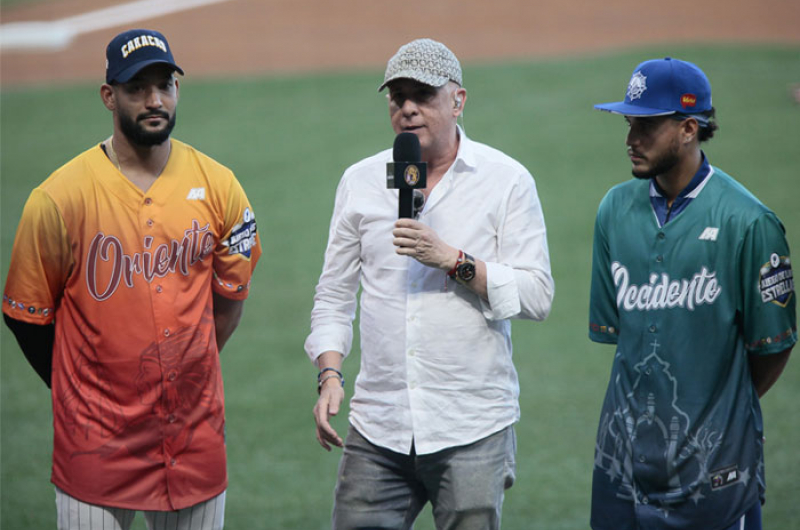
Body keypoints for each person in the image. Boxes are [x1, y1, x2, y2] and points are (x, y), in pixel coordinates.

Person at [2, 28, 261, 530]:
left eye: (164, 85)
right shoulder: (58, 199)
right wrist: (81, 395)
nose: (154, 100)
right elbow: (27, 318)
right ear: (109, 96)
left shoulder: (220, 186)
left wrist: (180, 377)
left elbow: (228, 301)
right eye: (137, 88)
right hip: (96, 448)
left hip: (194, 439)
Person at [305, 38, 554, 529]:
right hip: (378, 425)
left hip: (472, 426)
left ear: (458, 100)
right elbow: (334, 295)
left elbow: (537, 295)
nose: (408, 109)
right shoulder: (360, 182)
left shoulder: (506, 181)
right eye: (398, 97)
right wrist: (329, 376)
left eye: (423, 94)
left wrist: (454, 261)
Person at [589, 57, 795, 530]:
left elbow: (772, 347)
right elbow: (622, 336)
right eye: (628, 123)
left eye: (646, 126)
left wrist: (716, 409)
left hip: (715, 474)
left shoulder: (749, 223)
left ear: (688, 128)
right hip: (620, 468)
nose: (630, 139)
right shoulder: (614, 211)